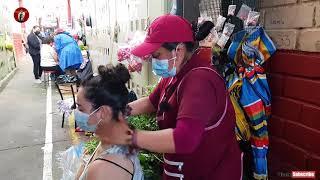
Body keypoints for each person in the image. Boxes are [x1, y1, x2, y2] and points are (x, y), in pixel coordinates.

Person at [99, 14, 243, 179]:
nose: (152, 61)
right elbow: (151, 102)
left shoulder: (201, 81)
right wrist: (118, 110)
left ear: (179, 51)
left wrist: (128, 136)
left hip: (211, 172)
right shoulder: (174, 73)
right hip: (182, 169)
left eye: (156, 55)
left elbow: (184, 139)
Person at [75, 64, 143, 180]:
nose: (76, 113)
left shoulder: (106, 168)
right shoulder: (109, 143)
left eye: (80, 108)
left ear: (103, 112)